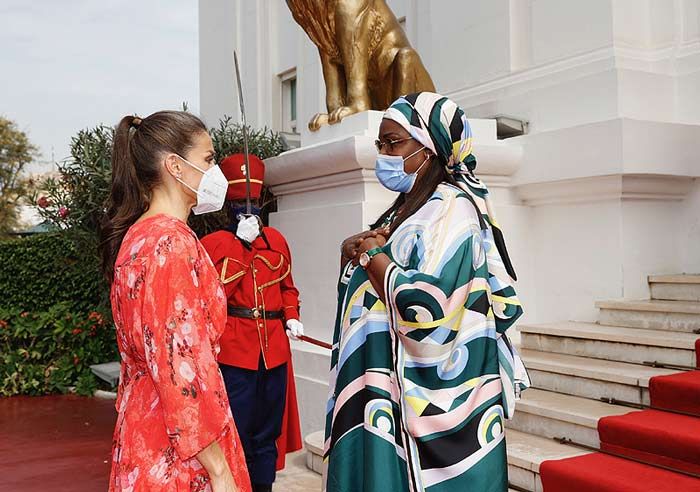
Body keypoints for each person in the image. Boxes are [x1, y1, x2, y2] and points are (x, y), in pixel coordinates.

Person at [324, 92, 530, 492]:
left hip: (423, 401)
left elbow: (431, 306)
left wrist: (374, 260)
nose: (383, 154)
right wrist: (354, 257)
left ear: (429, 147)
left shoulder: (452, 208)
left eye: (393, 143)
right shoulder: (408, 208)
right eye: (380, 144)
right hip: (381, 392)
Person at [100, 111, 251, 492]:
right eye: (209, 159)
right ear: (174, 166)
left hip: (143, 430)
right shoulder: (171, 244)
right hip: (181, 452)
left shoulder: (137, 238)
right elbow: (180, 369)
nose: (216, 172)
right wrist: (218, 470)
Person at [200, 154, 303, 492]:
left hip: (273, 350)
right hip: (234, 352)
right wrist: (242, 247)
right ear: (227, 204)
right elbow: (213, 298)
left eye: (254, 201)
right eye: (240, 201)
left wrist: (291, 317)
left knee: (267, 434)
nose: (249, 207)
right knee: (236, 431)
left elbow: (288, 288)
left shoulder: (277, 240)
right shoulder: (211, 245)